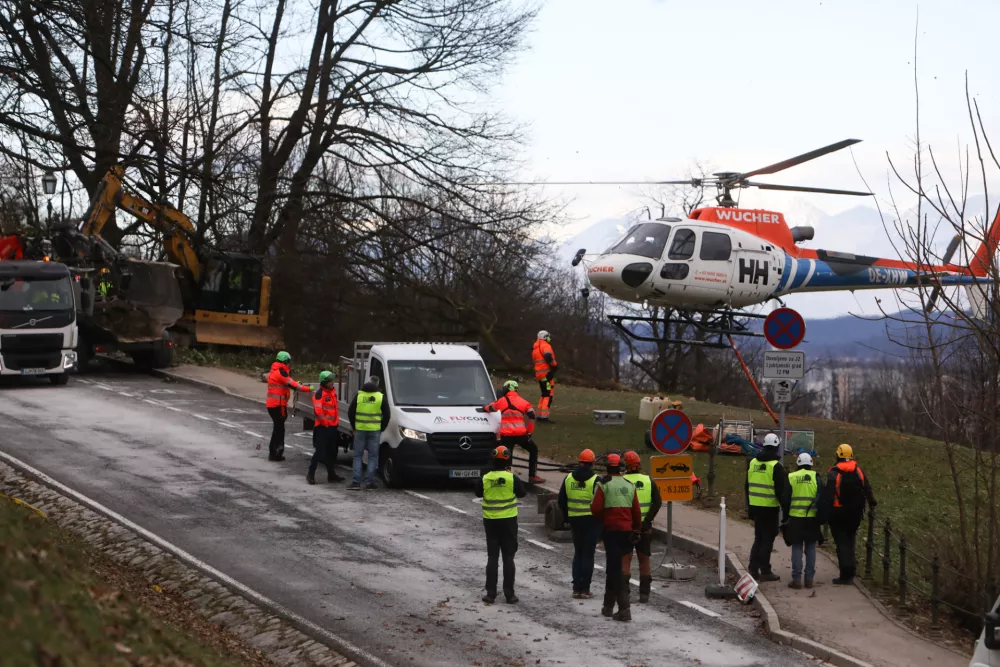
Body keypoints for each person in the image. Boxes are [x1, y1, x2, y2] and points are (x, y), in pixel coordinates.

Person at [591, 453, 642, 622]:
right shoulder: (629, 484)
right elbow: (636, 511)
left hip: (612, 532)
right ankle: (608, 606)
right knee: (618, 568)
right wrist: (636, 529)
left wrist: (605, 517)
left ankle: (624, 609)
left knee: (614, 569)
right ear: (621, 467)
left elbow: (596, 509)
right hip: (627, 532)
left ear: (607, 467)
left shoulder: (603, 484)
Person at [474, 445, 527, 604]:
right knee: (508, 558)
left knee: (492, 557)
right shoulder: (512, 478)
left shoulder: (485, 478)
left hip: (490, 522)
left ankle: (490, 593)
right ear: (507, 461)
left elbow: (478, 493)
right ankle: (509, 594)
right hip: (509, 521)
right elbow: (522, 493)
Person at [823, 444, 877, 585]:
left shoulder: (833, 472)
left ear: (838, 455)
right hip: (855, 513)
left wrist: (825, 512)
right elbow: (867, 487)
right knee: (850, 539)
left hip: (838, 512)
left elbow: (828, 494)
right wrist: (872, 502)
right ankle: (851, 571)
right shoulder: (858, 470)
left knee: (841, 543)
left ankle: (845, 574)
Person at [745, 433, 789, 582]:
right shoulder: (776, 467)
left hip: (756, 507)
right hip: (770, 508)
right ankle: (765, 570)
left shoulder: (752, 463)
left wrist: (749, 507)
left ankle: (753, 568)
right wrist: (787, 512)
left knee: (759, 538)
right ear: (776, 447)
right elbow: (781, 492)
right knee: (768, 539)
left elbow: (747, 486)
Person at [557, 448, 600, 599]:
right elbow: (602, 502)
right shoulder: (596, 480)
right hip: (591, 521)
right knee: (588, 554)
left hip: (574, 520)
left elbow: (561, 501)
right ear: (592, 463)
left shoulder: (568, 478)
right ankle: (585, 588)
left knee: (578, 553)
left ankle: (576, 588)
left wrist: (567, 516)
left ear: (579, 462)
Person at [483, 380, 544, 484]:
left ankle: (507, 475)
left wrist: (484, 407)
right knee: (533, 450)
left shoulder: (501, 401)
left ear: (507, 389)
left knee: (506, 454)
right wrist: (529, 432)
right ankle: (532, 476)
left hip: (506, 436)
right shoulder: (524, 402)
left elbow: (489, 408)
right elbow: (532, 416)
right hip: (521, 435)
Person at [622, 450, 663, 603]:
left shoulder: (622, 481)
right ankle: (644, 594)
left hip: (626, 528)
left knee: (625, 560)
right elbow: (657, 502)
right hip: (644, 529)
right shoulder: (648, 480)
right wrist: (647, 522)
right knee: (644, 560)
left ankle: (625, 592)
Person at [782, 453, 825, 589]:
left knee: (797, 547)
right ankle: (809, 579)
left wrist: (786, 517)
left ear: (798, 463)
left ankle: (796, 580)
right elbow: (822, 498)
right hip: (812, 518)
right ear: (811, 464)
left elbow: (785, 499)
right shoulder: (816, 477)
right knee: (811, 547)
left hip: (795, 517)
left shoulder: (791, 477)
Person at [265, 351, 312, 462]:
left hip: (272, 405)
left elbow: (287, 383)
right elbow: (294, 386)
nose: (290, 364)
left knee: (277, 428)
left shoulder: (275, 370)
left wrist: (295, 382)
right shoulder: (281, 372)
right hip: (279, 406)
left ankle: (274, 452)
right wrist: (308, 389)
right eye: (288, 362)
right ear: (285, 362)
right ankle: (276, 452)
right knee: (279, 429)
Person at [347, 375, 390, 490]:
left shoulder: (359, 396)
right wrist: (382, 428)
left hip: (360, 429)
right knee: (373, 456)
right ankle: (369, 482)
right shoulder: (380, 397)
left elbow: (351, 412)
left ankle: (356, 482)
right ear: (377, 385)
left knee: (357, 456)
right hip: (374, 430)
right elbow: (387, 414)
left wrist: (354, 426)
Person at [307, 371, 345, 485]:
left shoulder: (332, 392)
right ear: (324, 382)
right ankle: (310, 474)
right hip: (322, 428)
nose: (332, 383)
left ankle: (331, 475)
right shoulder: (319, 394)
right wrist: (326, 423)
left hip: (332, 427)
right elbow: (318, 411)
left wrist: (335, 422)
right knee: (320, 452)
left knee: (332, 452)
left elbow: (334, 409)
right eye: (330, 381)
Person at [531, 331, 558, 422]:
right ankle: (544, 417)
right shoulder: (545, 345)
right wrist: (554, 365)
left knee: (544, 394)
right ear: (545, 337)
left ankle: (539, 415)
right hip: (547, 374)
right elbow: (548, 356)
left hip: (539, 374)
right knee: (548, 395)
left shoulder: (535, 348)